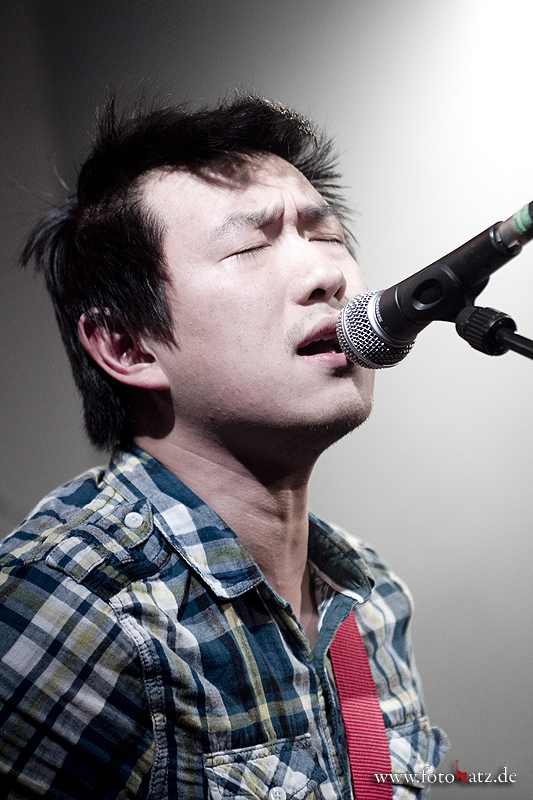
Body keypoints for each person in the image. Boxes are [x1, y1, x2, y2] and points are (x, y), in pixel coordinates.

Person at [0, 93, 448, 799]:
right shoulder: (71, 604)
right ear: (126, 345)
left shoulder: (371, 593)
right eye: (250, 245)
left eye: (327, 236)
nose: (327, 276)